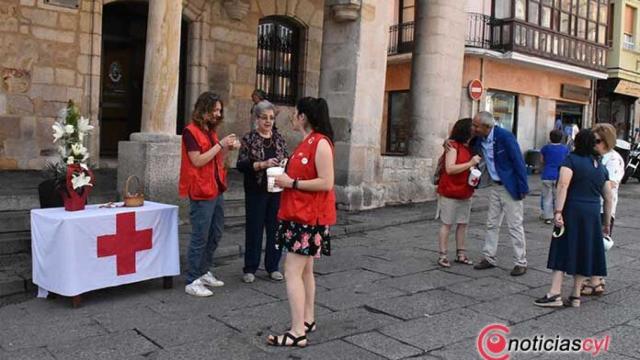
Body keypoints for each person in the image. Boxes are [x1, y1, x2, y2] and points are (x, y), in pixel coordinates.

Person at [267, 97, 336, 348]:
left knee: (291, 271)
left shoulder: (320, 143)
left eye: (296, 113)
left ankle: (297, 332)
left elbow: (326, 182)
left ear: (303, 116)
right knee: (305, 271)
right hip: (301, 215)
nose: (293, 117)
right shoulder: (309, 142)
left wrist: (291, 183)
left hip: (307, 218)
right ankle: (307, 319)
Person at [535, 129, 613, 308]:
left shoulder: (571, 160)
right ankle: (576, 295)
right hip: (592, 213)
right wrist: (606, 222)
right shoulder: (599, 165)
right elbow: (609, 197)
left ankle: (554, 293)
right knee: (584, 251)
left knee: (562, 247)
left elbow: (563, 185)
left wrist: (558, 211)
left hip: (572, 209)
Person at [179, 91, 241, 297]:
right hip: (201, 190)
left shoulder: (210, 131)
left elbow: (215, 157)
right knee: (200, 235)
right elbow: (197, 160)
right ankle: (192, 279)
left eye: (219, 110)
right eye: (214, 110)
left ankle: (203, 271)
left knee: (215, 233)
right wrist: (220, 145)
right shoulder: (190, 132)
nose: (217, 114)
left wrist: (228, 149)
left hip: (215, 188)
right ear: (203, 109)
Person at [470, 111, 529, 276]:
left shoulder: (505, 137)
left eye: (476, 125)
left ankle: (520, 261)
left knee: (515, 225)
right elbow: (461, 139)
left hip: (509, 186)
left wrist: (523, 187)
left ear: (487, 127)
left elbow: (518, 161)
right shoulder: (478, 138)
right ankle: (489, 257)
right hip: (494, 185)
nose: (473, 128)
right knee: (491, 223)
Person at [236, 100, 288, 283]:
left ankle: (273, 266)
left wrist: (284, 164)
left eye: (271, 118)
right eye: (264, 117)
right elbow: (241, 164)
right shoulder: (249, 139)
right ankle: (250, 268)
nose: (268, 121)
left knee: (275, 230)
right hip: (256, 191)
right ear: (256, 118)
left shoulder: (279, 139)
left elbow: (286, 158)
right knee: (254, 229)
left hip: (276, 190)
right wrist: (262, 165)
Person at [581, 123, 624, 296]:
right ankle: (595, 278)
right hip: (591, 205)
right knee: (591, 244)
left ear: (606, 141)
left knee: (598, 244)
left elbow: (610, 185)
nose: (594, 143)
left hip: (602, 208)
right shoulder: (595, 156)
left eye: (597, 140)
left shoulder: (614, 159)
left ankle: (596, 280)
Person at [436, 118, 481, 268]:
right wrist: (470, 163)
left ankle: (461, 253)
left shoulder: (471, 146)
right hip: (450, 190)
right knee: (447, 223)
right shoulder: (453, 146)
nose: (475, 129)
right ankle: (443, 255)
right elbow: (450, 168)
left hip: (465, 190)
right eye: (473, 127)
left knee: (463, 223)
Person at [540, 130, 570, 224]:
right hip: (560, 176)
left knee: (547, 197)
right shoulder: (565, 149)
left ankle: (548, 217)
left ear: (550, 137)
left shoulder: (545, 148)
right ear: (561, 138)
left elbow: (541, 160)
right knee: (558, 197)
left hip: (547, 175)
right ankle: (558, 214)